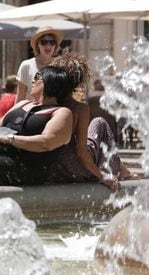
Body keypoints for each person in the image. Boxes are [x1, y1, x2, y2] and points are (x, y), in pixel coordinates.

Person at [49, 52, 137, 191]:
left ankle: (122, 169)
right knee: (99, 123)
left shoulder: (48, 103)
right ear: (79, 80)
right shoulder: (78, 107)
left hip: (57, 168)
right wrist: (102, 176)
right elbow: (81, 151)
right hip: (77, 170)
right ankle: (118, 170)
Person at [15, 26, 63, 104]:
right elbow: (20, 96)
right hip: (32, 112)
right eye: (44, 42)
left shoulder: (60, 66)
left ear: (55, 45)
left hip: (55, 112)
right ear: (38, 45)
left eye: (52, 42)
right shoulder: (26, 65)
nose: (48, 46)